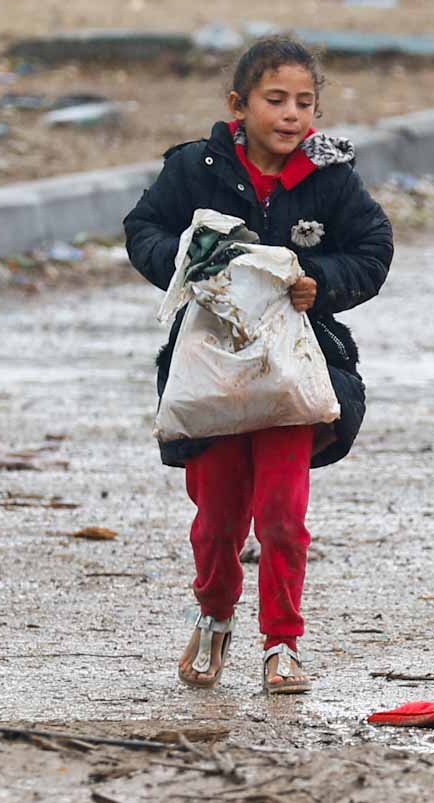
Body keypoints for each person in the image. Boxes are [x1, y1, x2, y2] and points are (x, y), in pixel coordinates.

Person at [123, 36, 393, 695]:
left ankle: (283, 642)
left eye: (306, 102)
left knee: (281, 513)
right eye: (276, 100)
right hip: (213, 372)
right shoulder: (196, 168)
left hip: (292, 376)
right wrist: (186, 262)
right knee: (217, 520)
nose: (292, 114)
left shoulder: (331, 176)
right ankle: (214, 618)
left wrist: (319, 281)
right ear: (238, 106)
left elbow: (374, 247)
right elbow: (144, 229)